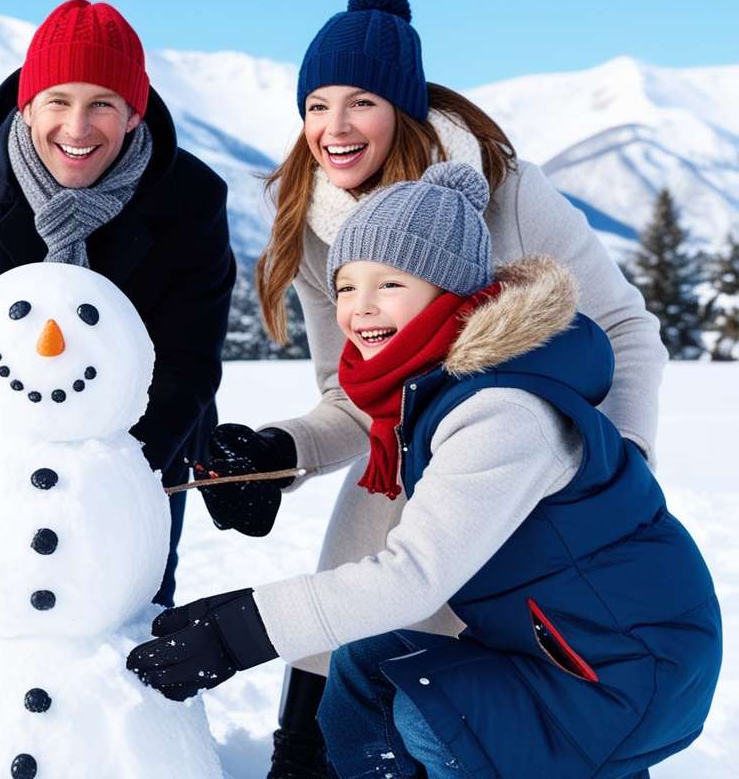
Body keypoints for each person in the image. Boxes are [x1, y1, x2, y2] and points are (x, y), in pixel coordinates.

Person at [191, 0, 667, 777]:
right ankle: (301, 753)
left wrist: (617, 467)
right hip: (406, 446)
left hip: (522, 440)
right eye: (316, 106)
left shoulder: (506, 191)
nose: (333, 127)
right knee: (350, 572)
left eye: (360, 103)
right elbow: (354, 396)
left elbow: (626, 328)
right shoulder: (313, 226)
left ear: (402, 110)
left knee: (487, 631)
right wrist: (279, 454)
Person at [129, 162, 720, 779]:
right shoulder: (433, 387)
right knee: (366, 666)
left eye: (390, 284)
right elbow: (354, 417)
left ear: (449, 291)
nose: (360, 309)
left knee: (434, 718)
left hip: (623, 670)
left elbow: (412, 577)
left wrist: (239, 631)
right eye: (348, 286)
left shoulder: (504, 411)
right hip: (557, 642)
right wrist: (279, 454)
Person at [0, 0, 234, 636]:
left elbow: (188, 358)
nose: (78, 125)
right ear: (27, 104)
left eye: (103, 103)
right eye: (58, 100)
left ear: (134, 113)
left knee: (118, 643)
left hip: (135, 453)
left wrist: (120, 468)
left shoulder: (192, 197)